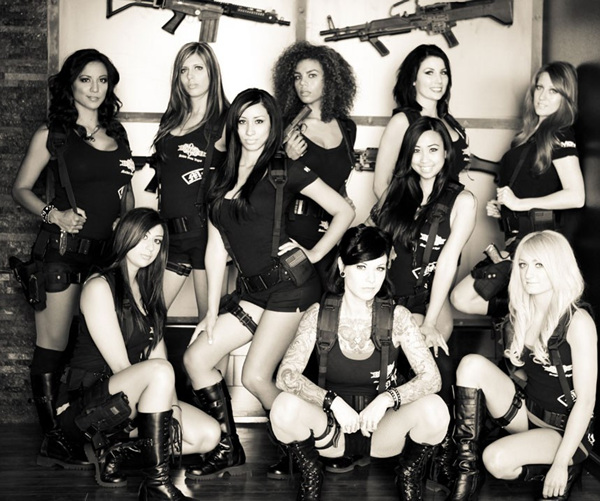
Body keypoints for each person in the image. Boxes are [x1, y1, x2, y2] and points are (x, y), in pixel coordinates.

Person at [182, 88, 355, 481]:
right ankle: (227, 448)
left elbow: (344, 211)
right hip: (252, 292)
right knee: (196, 359)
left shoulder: (283, 169)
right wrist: (211, 314)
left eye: (259, 121)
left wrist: (315, 253)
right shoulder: (219, 176)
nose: (250, 130)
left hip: (290, 288)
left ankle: (316, 440)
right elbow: (215, 249)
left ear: (272, 125)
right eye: (242, 121)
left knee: (255, 377)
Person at [11, 48, 134, 469]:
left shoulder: (118, 134)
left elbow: (124, 193)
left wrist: (128, 227)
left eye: (103, 80)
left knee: (96, 349)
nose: (95, 88)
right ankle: (54, 441)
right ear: (71, 84)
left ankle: (91, 427)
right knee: (54, 347)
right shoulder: (53, 134)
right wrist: (55, 215)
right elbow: (20, 189)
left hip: (106, 259)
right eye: (85, 79)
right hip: (61, 256)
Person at [269, 225, 449, 501]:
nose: (371, 279)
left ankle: (409, 478)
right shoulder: (319, 315)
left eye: (379, 268)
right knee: (283, 406)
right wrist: (333, 403)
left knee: (435, 409)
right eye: (362, 268)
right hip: (330, 430)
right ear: (343, 267)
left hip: (382, 430)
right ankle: (310, 478)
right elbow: (286, 375)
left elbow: (432, 379)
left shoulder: (398, 317)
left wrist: (387, 399)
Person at [55, 208, 221, 501]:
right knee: (159, 372)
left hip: (129, 404)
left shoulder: (149, 292)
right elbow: (122, 367)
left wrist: (173, 407)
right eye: (143, 237)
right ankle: (156, 485)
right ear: (125, 235)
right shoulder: (99, 286)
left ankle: (116, 452)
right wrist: (165, 414)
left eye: (157, 241)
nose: (150, 247)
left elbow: (160, 356)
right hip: (86, 409)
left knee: (208, 435)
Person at [449, 230, 596, 501]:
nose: (529, 273)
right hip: (528, 414)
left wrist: (560, 464)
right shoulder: (522, 312)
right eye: (523, 264)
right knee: (470, 364)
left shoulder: (578, 322)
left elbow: (586, 402)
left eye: (539, 265)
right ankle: (466, 474)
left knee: (495, 459)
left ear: (558, 267)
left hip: (564, 431)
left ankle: (563, 469)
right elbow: (527, 375)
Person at [372, 116, 476, 493]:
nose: (424, 158)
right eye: (416, 150)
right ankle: (398, 443)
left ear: (446, 152)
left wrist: (429, 320)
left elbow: (447, 262)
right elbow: (374, 246)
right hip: (388, 300)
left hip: (428, 299)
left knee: (434, 358)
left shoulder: (462, 200)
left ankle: (442, 457)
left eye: (433, 149)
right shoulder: (397, 192)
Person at [451, 62, 585, 320]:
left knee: (462, 297)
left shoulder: (559, 135)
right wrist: (504, 209)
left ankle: (533, 315)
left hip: (537, 245)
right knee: (462, 299)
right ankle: (530, 315)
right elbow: (533, 185)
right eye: (539, 88)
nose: (542, 96)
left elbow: (576, 196)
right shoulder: (527, 136)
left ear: (566, 97)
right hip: (517, 241)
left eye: (553, 91)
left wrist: (519, 204)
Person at [152, 42, 229, 320]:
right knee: (148, 317)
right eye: (183, 70)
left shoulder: (226, 121)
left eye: (198, 68)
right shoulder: (172, 118)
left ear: (212, 72)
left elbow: (247, 172)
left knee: (208, 322)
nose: (190, 77)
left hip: (205, 235)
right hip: (169, 233)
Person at [272, 40, 358, 287]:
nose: (303, 83)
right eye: (297, 77)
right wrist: (285, 158)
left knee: (326, 300)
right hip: (291, 230)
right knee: (291, 299)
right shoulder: (284, 126)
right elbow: (264, 184)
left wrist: (343, 198)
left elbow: (336, 175)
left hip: (331, 232)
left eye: (312, 76)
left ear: (330, 80)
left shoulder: (347, 127)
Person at [373, 44, 470, 199]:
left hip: (452, 209)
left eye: (443, 72)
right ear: (413, 79)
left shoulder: (449, 120)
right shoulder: (402, 121)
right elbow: (380, 185)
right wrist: (402, 214)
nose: (439, 80)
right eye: (429, 72)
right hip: (414, 211)